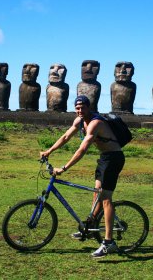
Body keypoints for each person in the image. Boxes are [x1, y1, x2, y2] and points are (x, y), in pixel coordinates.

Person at [40, 95, 125, 258]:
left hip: (114, 158)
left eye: (82, 107)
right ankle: (91, 228)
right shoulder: (79, 121)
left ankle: (109, 242)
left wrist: (64, 168)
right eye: (77, 108)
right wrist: (48, 151)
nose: (79, 110)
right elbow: (65, 137)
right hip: (104, 158)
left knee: (106, 198)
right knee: (97, 194)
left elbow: (82, 149)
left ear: (89, 107)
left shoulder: (95, 123)